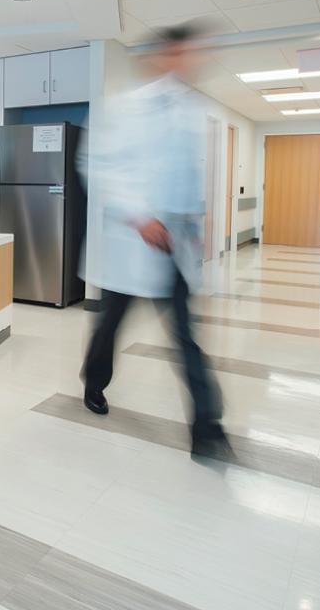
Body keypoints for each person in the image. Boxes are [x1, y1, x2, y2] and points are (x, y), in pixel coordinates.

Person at [79, 23, 227, 458]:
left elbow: (187, 176)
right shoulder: (123, 107)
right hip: (131, 242)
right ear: (162, 57)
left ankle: (207, 428)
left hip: (173, 246)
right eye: (184, 53)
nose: (193, 61)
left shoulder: (193, 110)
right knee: (110, 324)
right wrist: (140, 217)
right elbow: (96, 164)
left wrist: (194, 223)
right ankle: (93, 382)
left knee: (185, 335)